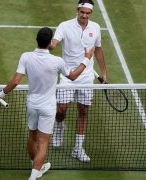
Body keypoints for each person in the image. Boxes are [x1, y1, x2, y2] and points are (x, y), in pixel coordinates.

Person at [0, 27, 94, 180]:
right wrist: (86, 58)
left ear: (37, 40)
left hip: (32, 105)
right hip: (48, 107)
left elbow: (15, 81)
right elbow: (72, 76)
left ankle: (37, 166)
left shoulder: (25, 57)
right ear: (50, 43)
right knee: (43, 142)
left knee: (32, 136)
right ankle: (33, 176)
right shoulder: (57, 61)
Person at [50, 0, 107, 163]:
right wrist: (51, 45)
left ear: (91, 14)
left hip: (87, 77)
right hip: (68, 76)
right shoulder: (64, 26)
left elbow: (98, 50)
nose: (84, 16)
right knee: (61, 110)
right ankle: (59, 127)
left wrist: (104, 73)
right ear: (77, 10)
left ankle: (78, 148)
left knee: (83, 111)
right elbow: (55, 42)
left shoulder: (95, 28)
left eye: (87, 13)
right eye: (82, 12)